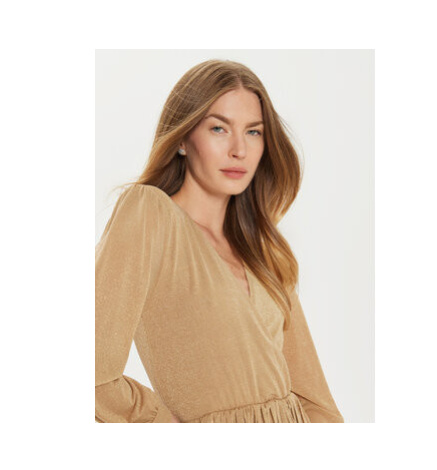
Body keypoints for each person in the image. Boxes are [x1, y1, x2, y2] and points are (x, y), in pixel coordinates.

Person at [95, 59, 344, 423]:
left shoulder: (264, 248)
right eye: (218, 128)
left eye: (253, 132)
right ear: (183, 138)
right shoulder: (150, 214)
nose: (239, 150)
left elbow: (317, 402)